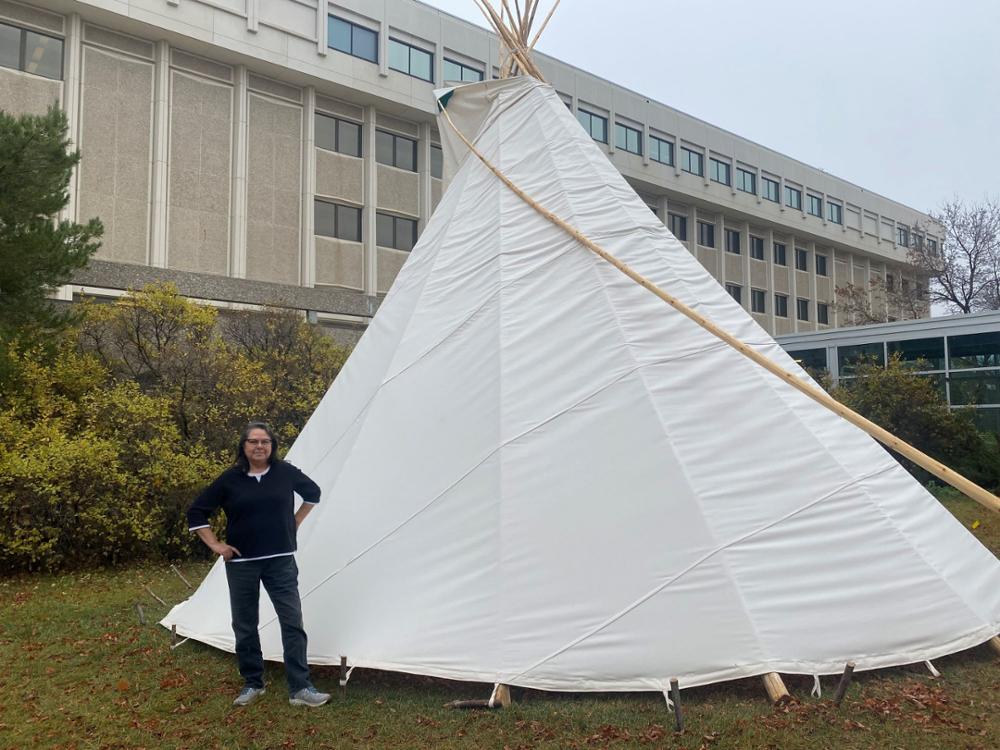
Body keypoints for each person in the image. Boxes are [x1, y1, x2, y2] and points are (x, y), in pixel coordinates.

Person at [187, 421, 330, 708]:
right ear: (244, 446)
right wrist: (216, 545)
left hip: (280, 562)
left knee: (292, 622)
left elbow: (313, 493)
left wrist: (295, 521)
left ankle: (300, 688)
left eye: (265, 441)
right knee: (245, 624)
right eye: (253, 441)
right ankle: (253, 683)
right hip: (242, 563)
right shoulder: (230, 479)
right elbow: (197, 512)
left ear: (272, 446)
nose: (259, 446)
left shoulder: (285, 473)